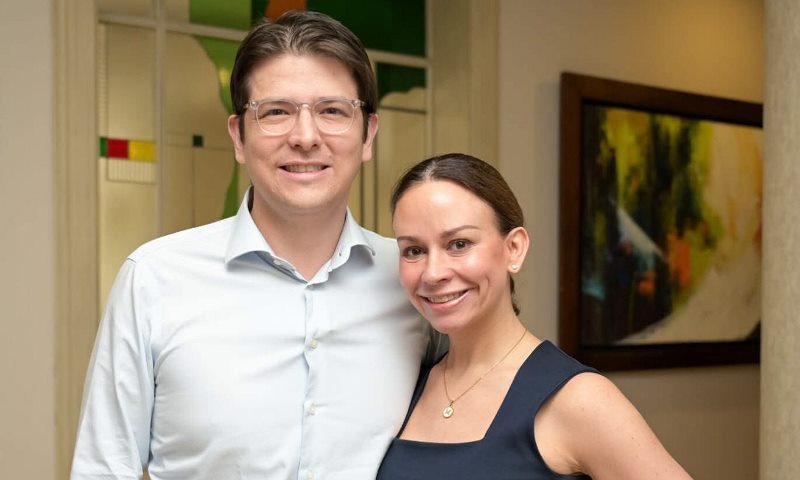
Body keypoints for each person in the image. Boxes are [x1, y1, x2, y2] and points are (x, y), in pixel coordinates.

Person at [71, 11, 435, 480]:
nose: (305, 138)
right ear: (238, 137)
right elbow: (104, 468)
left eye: (332, 111)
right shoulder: (154, 279)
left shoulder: (416, 281)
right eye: (276, 112)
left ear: (368, 135)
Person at [377, 153, 693, 479]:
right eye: (414, 250)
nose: (433, 273)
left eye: (459, 244)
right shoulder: (405, 385)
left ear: (514, 248)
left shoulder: (578, 398)